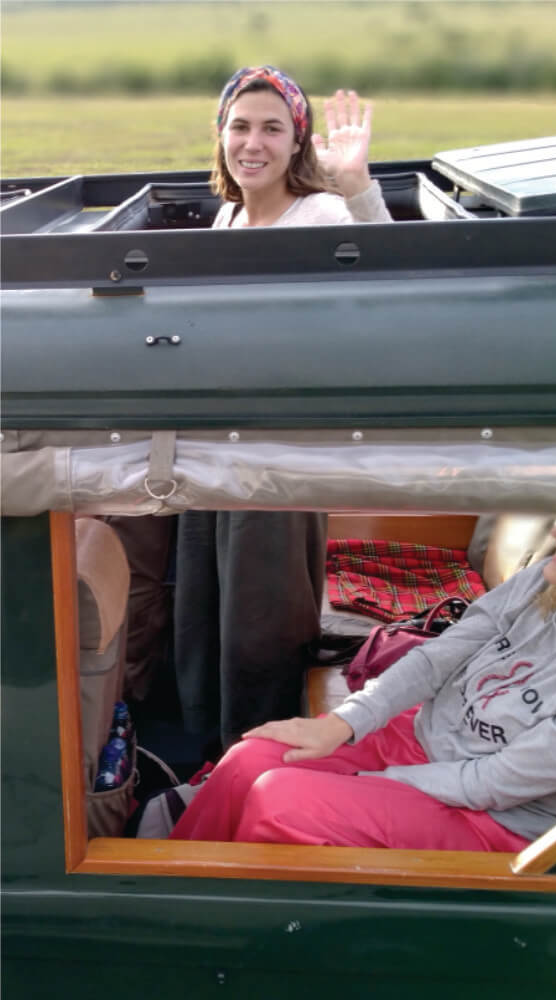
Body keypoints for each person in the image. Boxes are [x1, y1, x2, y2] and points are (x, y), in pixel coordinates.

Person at [170, 518, 556, 849]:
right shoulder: (546, 582)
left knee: (283, 798)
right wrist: (345, 722)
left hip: (489, 818)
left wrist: (369, 777)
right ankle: (178, 880)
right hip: (423, 741)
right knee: (253, 757)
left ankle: (238, 924)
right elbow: (445, 652)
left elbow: (488, 784)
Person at [174, 66, 392, 755]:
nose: (253, 143)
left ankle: (254, 757)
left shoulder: (318, 215)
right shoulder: (230, 215)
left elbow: (392, 285)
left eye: (273, 127)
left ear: (298, 139)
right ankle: (203, 748)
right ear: (220, 136)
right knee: (205, 607)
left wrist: (357, 187)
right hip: (216, 438)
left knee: (259, 620)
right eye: (240, 126)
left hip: (277, 450)